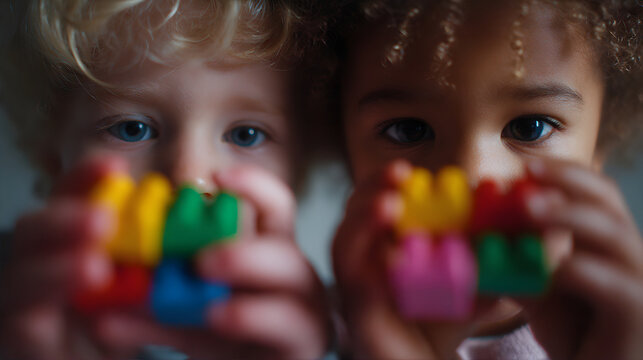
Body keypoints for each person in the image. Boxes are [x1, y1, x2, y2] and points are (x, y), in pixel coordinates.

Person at [0, 1, 329, 359]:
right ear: (52, 152)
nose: (188, 178)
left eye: (246, 135)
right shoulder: (13, 296)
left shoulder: (320, 327)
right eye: (132, 129)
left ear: (297, 166)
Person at [330, 0, 643, 359]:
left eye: (529, 128)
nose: (471, 177)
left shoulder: (627, 334)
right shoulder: (308, 336)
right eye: (409, 130)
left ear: (598, 149)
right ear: (344, 147)